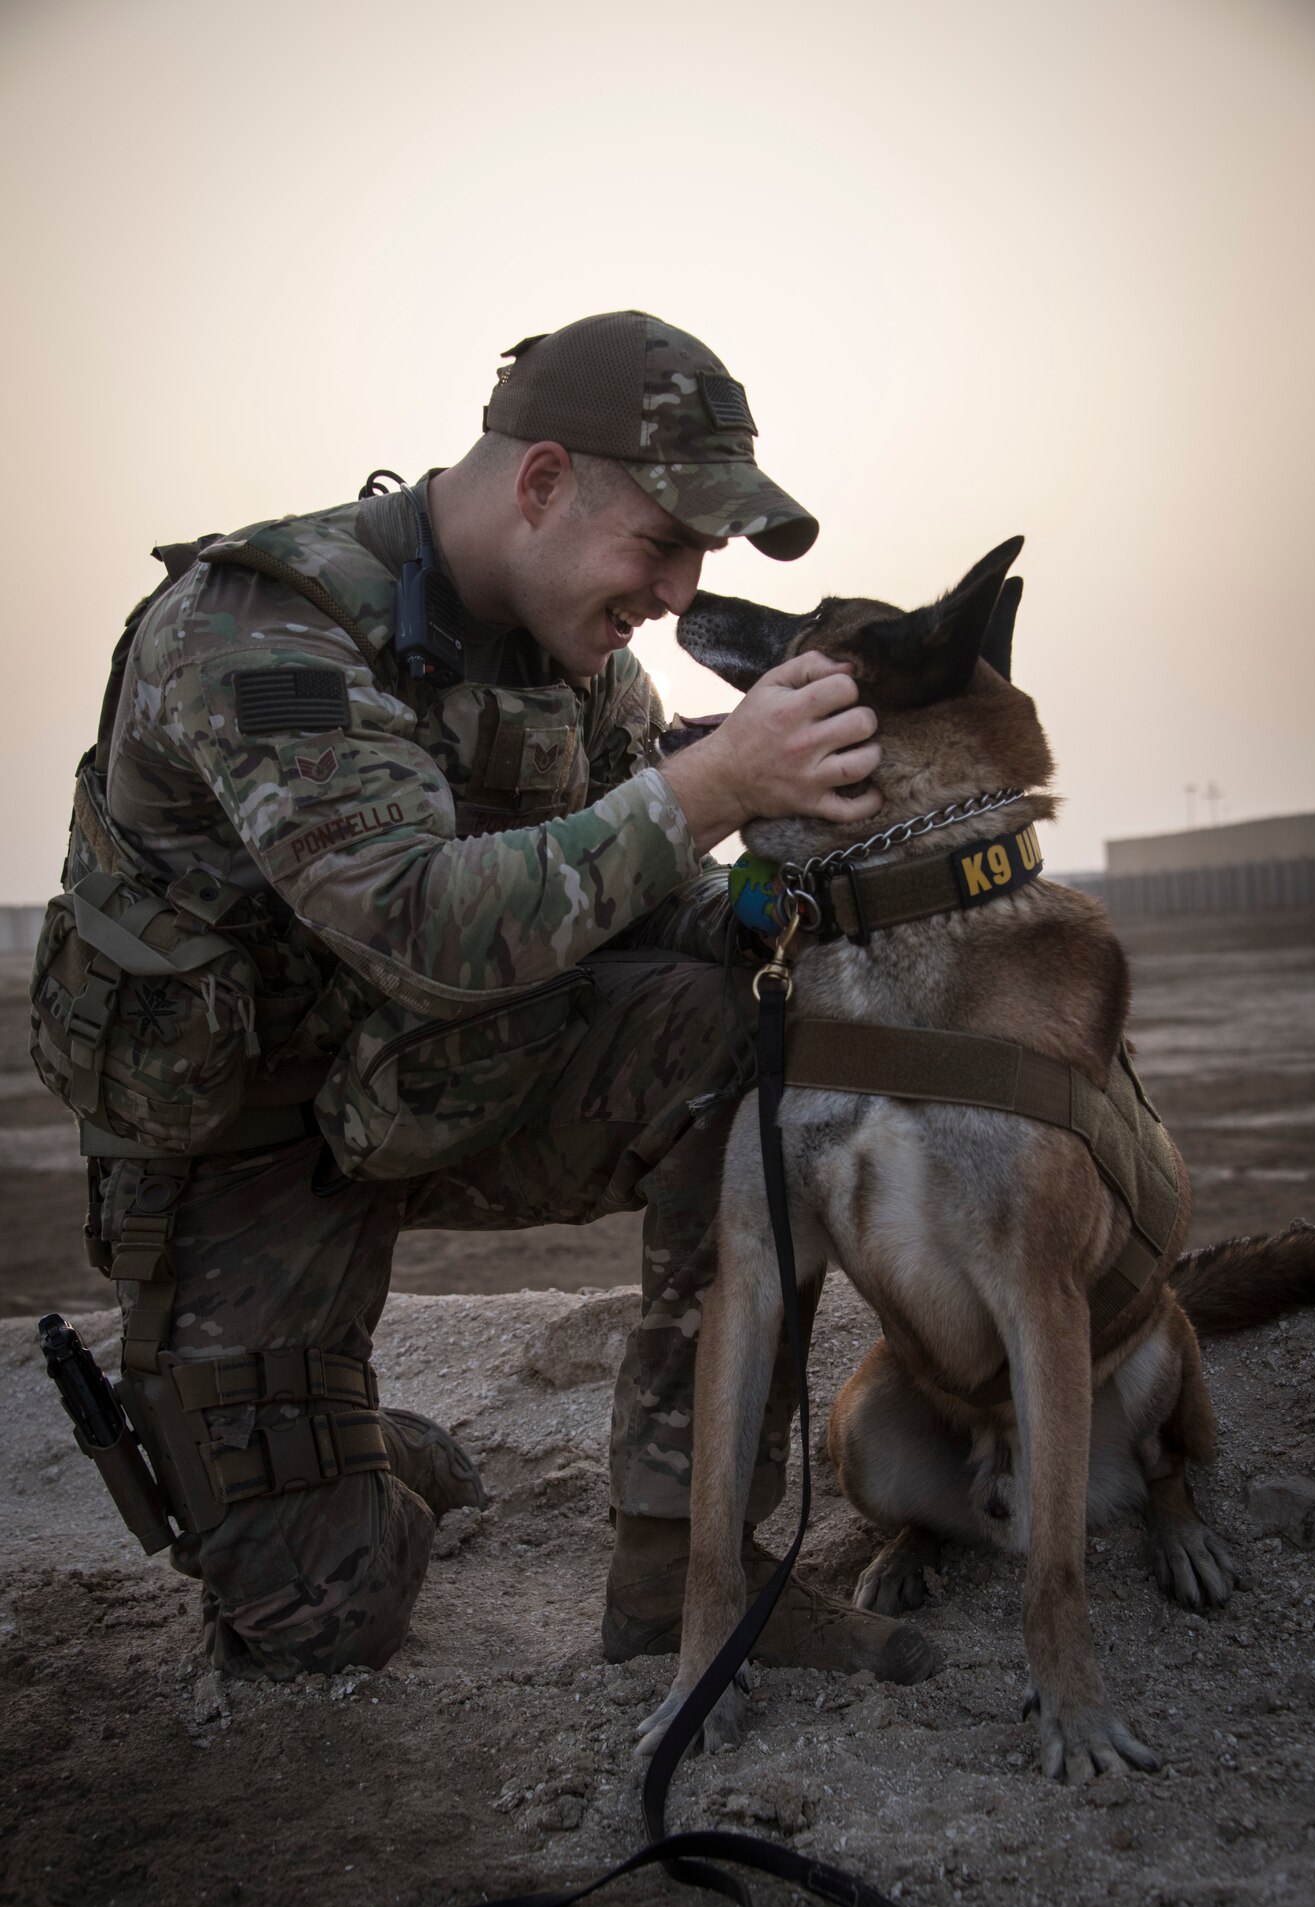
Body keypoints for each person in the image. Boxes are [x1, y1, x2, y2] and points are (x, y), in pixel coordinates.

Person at [36, 310, 933, 1686]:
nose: (682, 591)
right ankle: (347, 1440)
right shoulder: (260, 631)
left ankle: (678, 1570)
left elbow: (643, 903)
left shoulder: (584, 672)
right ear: (541, 483)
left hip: (443, 1087)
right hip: (245, 1146)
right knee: (321, 1622)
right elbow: (416, 926)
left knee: (766, 1037)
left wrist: (799, 904)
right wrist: (711, 787)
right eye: (664, 540)